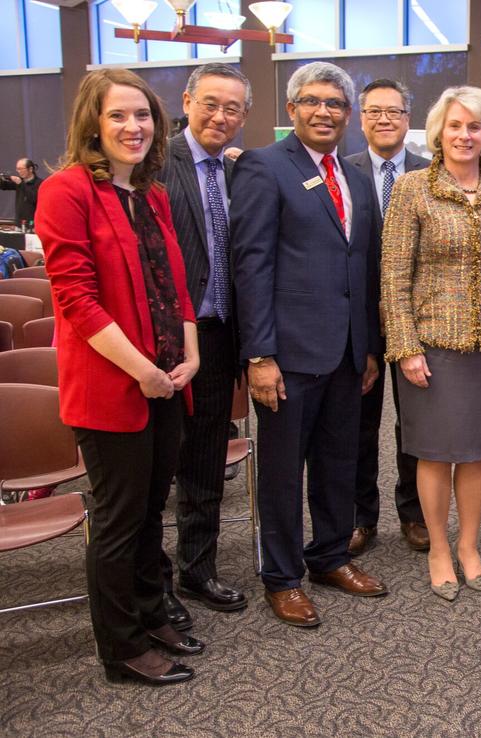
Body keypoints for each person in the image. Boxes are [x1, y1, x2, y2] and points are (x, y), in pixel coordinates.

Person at [37, 68, 203, 685]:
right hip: (114, 387)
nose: (133, 127)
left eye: (142, 116)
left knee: (151, 508)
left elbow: (176, 285)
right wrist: (145, 372)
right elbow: (77, 302)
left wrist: (190, 356)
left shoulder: (150, 193)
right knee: (118, 519)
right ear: (93, 124)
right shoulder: (66, 191)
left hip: (167, 379)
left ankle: (150, 610)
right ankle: (122, 648)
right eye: (117, 116)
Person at [230, 61, 387, 628]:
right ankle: (282, 575)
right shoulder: (263, 167)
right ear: (292, 109)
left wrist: (367, 347)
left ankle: (327, 556)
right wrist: (260, 355)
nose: (325, 112)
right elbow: (251, 266)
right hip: (287, 356)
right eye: (313, 102)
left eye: (336, 104)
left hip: (347, 353)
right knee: (280, 470)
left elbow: (362, 266)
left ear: (349, 115)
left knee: (339, 462)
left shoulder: (354, 174)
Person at [382, 85, 481, 602]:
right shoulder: (411, 189)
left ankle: (470, 547)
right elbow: (395, 277)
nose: (465, 135)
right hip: (432, 346)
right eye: (455, 126)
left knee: (475, 454)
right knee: (434, 454)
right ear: (438, 133)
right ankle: (439, 549)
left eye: (475, 126)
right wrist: (405, 346)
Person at [156, 62, 252, 628]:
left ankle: (197, 565)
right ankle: (154, 581)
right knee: (156, 466)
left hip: (219, 336)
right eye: (211, 103)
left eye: (233, 108)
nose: (221, 116)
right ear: (188, 101)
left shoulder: (242, 172)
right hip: (164, 339)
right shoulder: (154, 165)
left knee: (205, 459)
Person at [345, 78, 430, 556]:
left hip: (418, 319)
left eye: (394, 111)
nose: (384, 119)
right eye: (374, 111)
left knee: (415, 421)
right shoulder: (343, 171)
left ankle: (414, 513)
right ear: (361, 119)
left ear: (407, 118)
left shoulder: (429, 173)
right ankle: (361, 516)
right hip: (358, 319)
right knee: (359, 422)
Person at [1, 157, 42, 228]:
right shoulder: (20, 181)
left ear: (30, 169)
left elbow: (34, 198)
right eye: (17, 169)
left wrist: (21, 184)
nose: (18, 171)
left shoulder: (39, 183)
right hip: (19, 223)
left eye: (21, 169)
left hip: (32, 224)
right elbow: (4, 186)